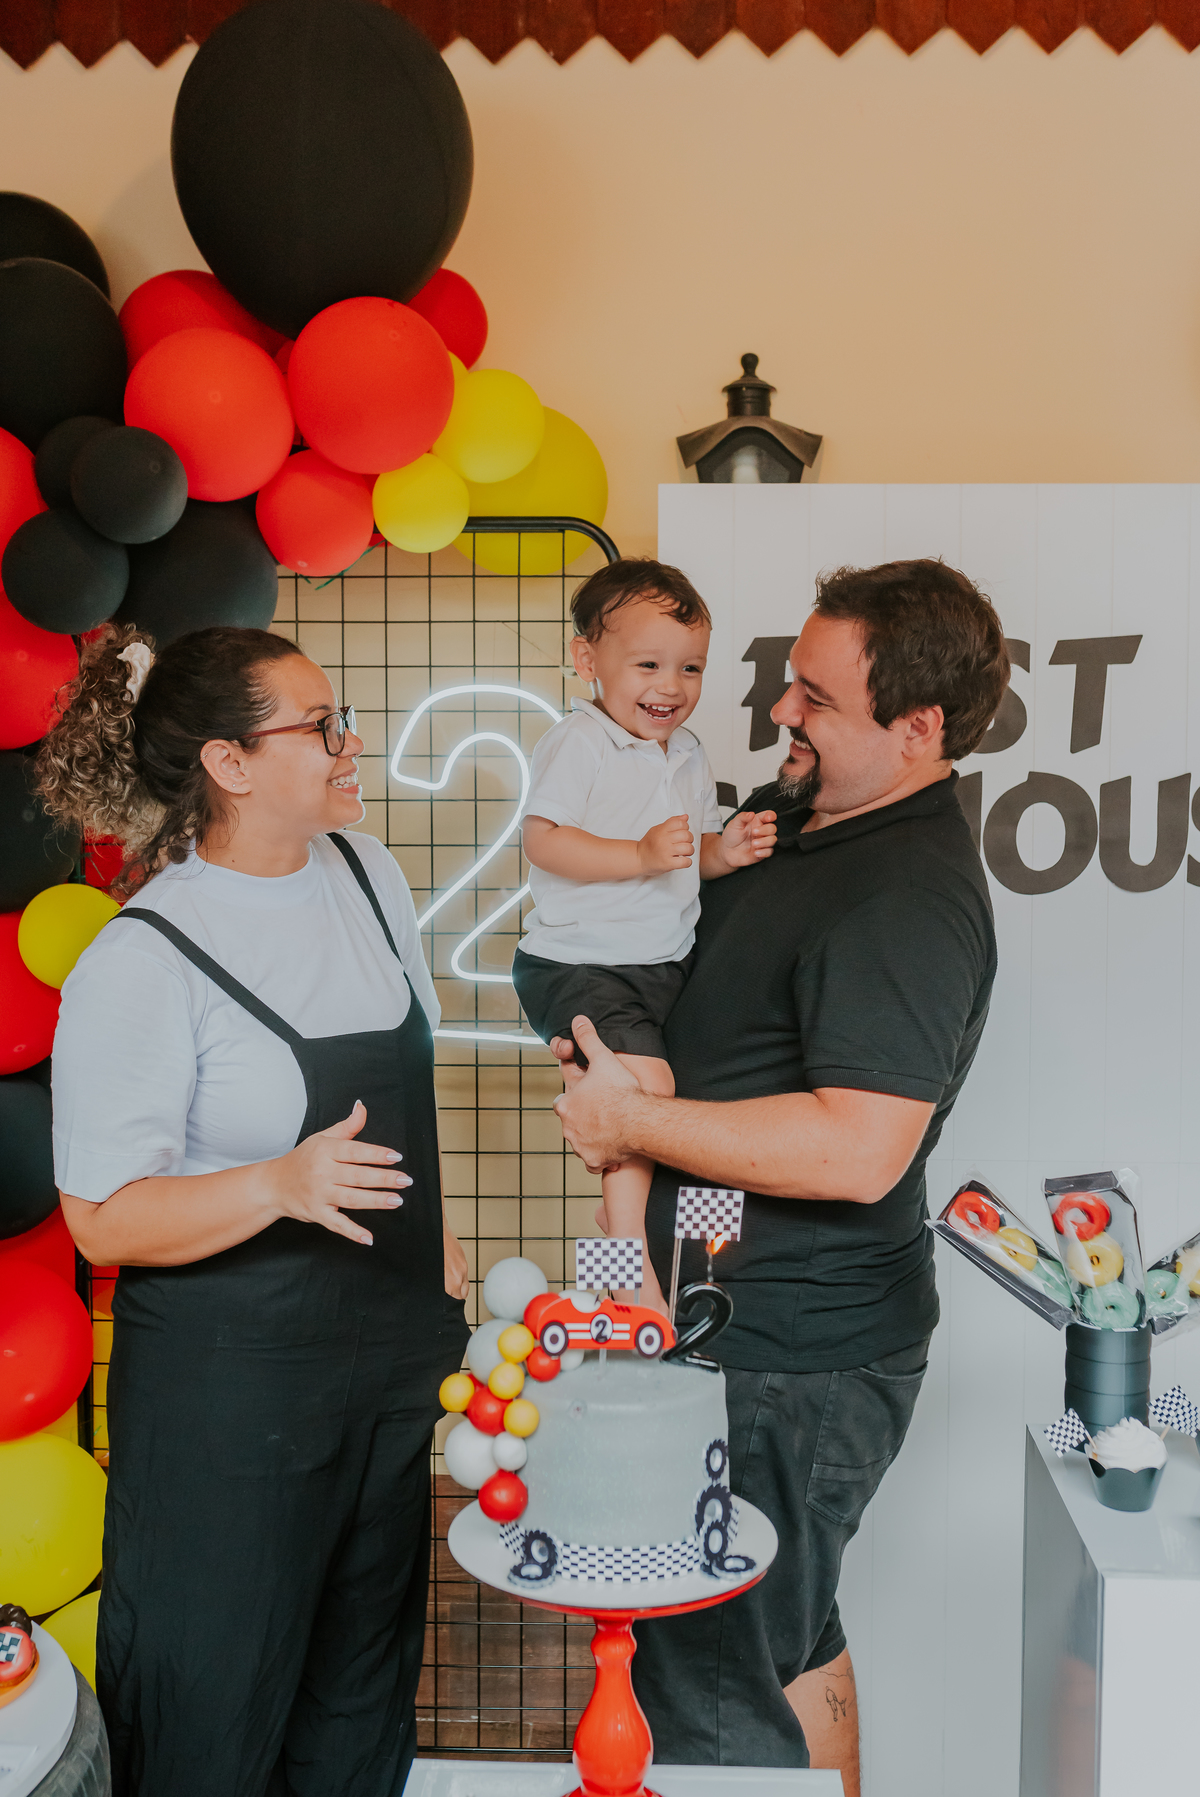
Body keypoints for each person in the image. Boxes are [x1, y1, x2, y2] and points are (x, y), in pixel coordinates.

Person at [549, 560, 1010, 1795]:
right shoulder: (804, 819)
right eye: (786, 684)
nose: (781, 717)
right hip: (735, 1322)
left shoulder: (907, 894)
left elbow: (859, 1151)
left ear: (917, 729)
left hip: (793, 1363)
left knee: (710, 1682)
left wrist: (635, 1121)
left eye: (816, 698)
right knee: (785, 1636)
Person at [40, 622, 470, 1797]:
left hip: (383, 1388)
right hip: (233, 1406)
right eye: (320, 726)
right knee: (212, 1707)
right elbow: (102, 1220)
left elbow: (399, 1104)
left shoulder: (368, 878)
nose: (352, 744)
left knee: (357, 1709)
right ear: (228, 764)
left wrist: (441, 1240)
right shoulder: (145, 957)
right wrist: (276, 1183)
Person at [512, 558, 776, 1307]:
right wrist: (634, 854)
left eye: (690, 667)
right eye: (649, 664)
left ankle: (622, 1213)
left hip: (659, 964)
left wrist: (731, 848)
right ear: (587, 660)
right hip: (582, 962)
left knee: (676, 1094)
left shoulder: (687, 751)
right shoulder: (581, 741)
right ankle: (626, 1264)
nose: (671, 685)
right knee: (643, 1091)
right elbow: (544, 840)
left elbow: (692, 855)